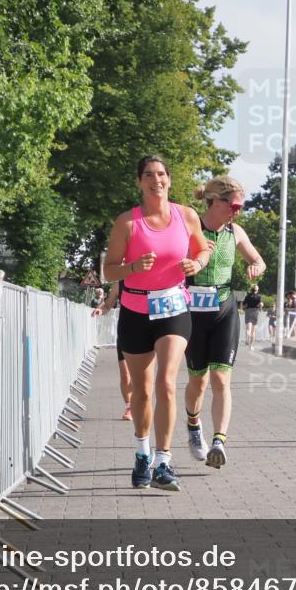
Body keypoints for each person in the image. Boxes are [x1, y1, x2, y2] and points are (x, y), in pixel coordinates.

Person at [103, 155, 211, 492]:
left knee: (166, 382)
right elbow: (109, 269)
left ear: (170, 179)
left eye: (161, 174)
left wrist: (197, 262)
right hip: (135, 310)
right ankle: (142, 452)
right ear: (139, 182)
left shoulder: (186, 215)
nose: (156, 180)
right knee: (142, 390)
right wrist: (132, 268)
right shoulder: (127, 222)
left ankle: (164, 461)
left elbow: (203, 250)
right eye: (148, 175)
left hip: (173, 306)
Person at [183, 176, 265, 469]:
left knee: (221, 378)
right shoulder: (191, 229)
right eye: (233, 205)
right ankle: (194, 427)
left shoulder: (236, 232)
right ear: (215, 201)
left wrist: (255, 265)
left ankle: (219, 441)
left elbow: (258, 259)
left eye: (240, 206)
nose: (237, 211)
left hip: (224, 310)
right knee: (198, 380)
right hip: (193, 313)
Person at [93, 281, 132, 420]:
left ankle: (140, 402)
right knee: (125, 374)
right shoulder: (120, 283)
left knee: (141, 377)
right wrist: (100, 309)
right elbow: (108, 304)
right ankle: (129, 407)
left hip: (147, 334)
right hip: (125, 331)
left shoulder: (150, 278)